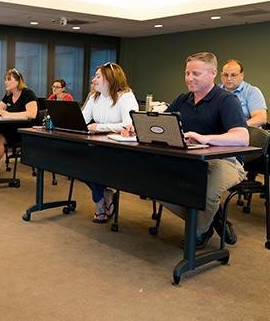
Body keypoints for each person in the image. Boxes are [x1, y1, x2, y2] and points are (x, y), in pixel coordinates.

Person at [124, 52, 248, 249]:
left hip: (225, 160)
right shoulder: (183, 99)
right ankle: (211, 217)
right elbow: (160, 124)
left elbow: (243, 137)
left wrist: (206, 138)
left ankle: (199, 230)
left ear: (212, 73)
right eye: (187, 73)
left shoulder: (226, 100)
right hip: (189, 158)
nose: (189, 78)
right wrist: (136, 127)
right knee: (151, 183)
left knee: (206, 193)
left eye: (196, 73)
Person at [81, 62, 138, 223]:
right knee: (77, 161)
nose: (94, 79)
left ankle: (99, 205)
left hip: (119, 149)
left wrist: (99, 127)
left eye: (98, 76)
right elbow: (81, 120)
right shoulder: (94, 97)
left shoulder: (126, 96)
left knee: (93, 163)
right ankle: (106, 194)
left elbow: (130, 124)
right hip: (97, 145)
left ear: (110, 79)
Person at [220, 59, 267, 127]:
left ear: (242, 75)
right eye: (225, 75)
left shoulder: (252, 92)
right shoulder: (215, 91)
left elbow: (261, 119)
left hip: (245, 133)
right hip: (218, 133)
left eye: (233, 75)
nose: (229, 79)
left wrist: (236, 126)